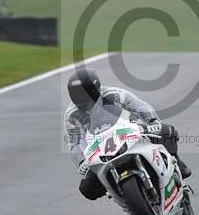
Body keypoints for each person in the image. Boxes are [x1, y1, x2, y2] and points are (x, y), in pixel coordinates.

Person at [64, 67, 191, 201]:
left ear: (95, 90)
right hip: (100, 147)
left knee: (166, 131)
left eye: (84, 96)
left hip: (129, 131)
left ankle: (176, 160)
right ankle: (115, 191)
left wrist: (153, 121)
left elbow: (138, 105)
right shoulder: (71, 115)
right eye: (77, 97)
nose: (82, 102)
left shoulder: (114, 94)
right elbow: (74, 143)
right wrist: (82, 162)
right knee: (87, 188)